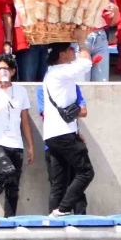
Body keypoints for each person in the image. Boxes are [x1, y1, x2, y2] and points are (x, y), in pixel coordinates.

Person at [41, 39, 93, 215]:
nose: (74, 50)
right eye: (71, 48)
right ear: (62, 54)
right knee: (86, 172)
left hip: (52, 135)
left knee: (59, 182)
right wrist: (82, 42)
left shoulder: (51, 73)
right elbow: (86, 64)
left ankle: (53, 218)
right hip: (64, 134)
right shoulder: (60, 71)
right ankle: (62, 209)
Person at [0, 55, 34, 216]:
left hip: (16, 143)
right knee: (8, 172)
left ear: (12, 71)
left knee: (14, 187)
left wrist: (30, 146)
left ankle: (9, 221)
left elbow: (25, 120)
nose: (2, 72)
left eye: (6, 69)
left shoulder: (20, 91)